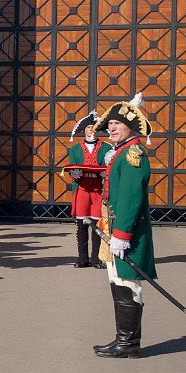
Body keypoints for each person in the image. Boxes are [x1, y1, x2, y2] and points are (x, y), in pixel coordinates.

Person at [92, 94, 156, 359]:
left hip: (127, 232)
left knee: (128, 283)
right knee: (118, 281)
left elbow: (130, 197)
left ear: (131, 127)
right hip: (116, 229)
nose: (112, 129)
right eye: (110, 125)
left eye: (118, 124)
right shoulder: (118, 152)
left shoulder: (133, 154)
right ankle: (124, 339)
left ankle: (129, 343)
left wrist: (121, 235)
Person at [63, 112, 110, 268]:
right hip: (82, 190)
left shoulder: (106, 147)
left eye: (94, 127)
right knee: (81, 225)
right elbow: (73, 166)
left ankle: (96, 259)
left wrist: (104, 174)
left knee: (97, 225)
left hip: (98, 190)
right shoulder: (75, 149)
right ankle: (82, 258)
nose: (92, 130)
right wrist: (75, 175)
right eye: (89, 127)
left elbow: (107, 166)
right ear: (84, 130)